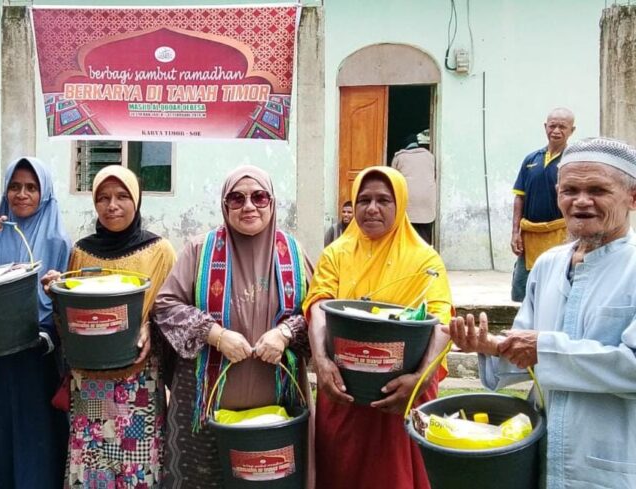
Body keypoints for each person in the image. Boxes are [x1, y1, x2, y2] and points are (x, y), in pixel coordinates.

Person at [447, 137, 636, 489]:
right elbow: (528, 352)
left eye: (597, 190)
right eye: (569, 190)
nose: (580, 201)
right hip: (543, 457)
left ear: (632, 197)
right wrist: (492, 347)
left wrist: (542, 349)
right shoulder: (548, 266)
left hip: (614, 463)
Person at [152, 165, 313, 488]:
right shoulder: (200, 250)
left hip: (278, 408)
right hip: (205, 406)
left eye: (259, 197)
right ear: (225, 207)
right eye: (236, 199)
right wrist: (215, 334)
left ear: (272, 202)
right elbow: (165, 306)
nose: (249, 206)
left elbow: (316, 313)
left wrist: (285, 333)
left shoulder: (293, 253)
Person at [304, 166, 452, 489]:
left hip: (399, 394)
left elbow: (442, 322)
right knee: (339, 473)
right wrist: (322, 362)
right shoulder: (335, 254)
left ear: (400, 205)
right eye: (364, 199)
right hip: (343, 389)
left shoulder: (424, 260)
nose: (372, 208)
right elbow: (318, 307)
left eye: (384, 200)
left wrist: (418, 380)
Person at [42, 165, 176, 488]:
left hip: (137, 383)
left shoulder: (159, 252)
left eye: (121, 196)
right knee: (92, 467)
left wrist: (151, 327)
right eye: (102, 197)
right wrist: (56, 293)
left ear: (137, 199)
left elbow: (173, 309)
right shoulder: (82, 252)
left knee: (136, 468)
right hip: (89, 382)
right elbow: (70, 320)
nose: (111, 205)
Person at [0, 157, 71, 489]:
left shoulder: (59, 242)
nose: (22, 194)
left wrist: (45, 332)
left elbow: (63, 305)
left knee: (32, 435)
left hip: (36, 357)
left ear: (44, 194)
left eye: (31, 187)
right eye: (15, 187)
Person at [510, 108, 575, 301]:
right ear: (545, 127)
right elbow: (519, 197)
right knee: (522, 289)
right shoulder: (531, 159)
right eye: (552, 125)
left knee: (557, 287)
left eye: (562, 127)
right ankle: (523, 327)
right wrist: (515, 233)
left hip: (561, 235)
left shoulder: (573, 160)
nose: (556, 130)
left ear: (572, 130)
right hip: (530, 237)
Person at [391, 133, 437, 244]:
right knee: (424, 232)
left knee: (408, 232)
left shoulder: (399, 157)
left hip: (408, 200)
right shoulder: (429, 156)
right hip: (427, 200)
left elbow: (393, 179)